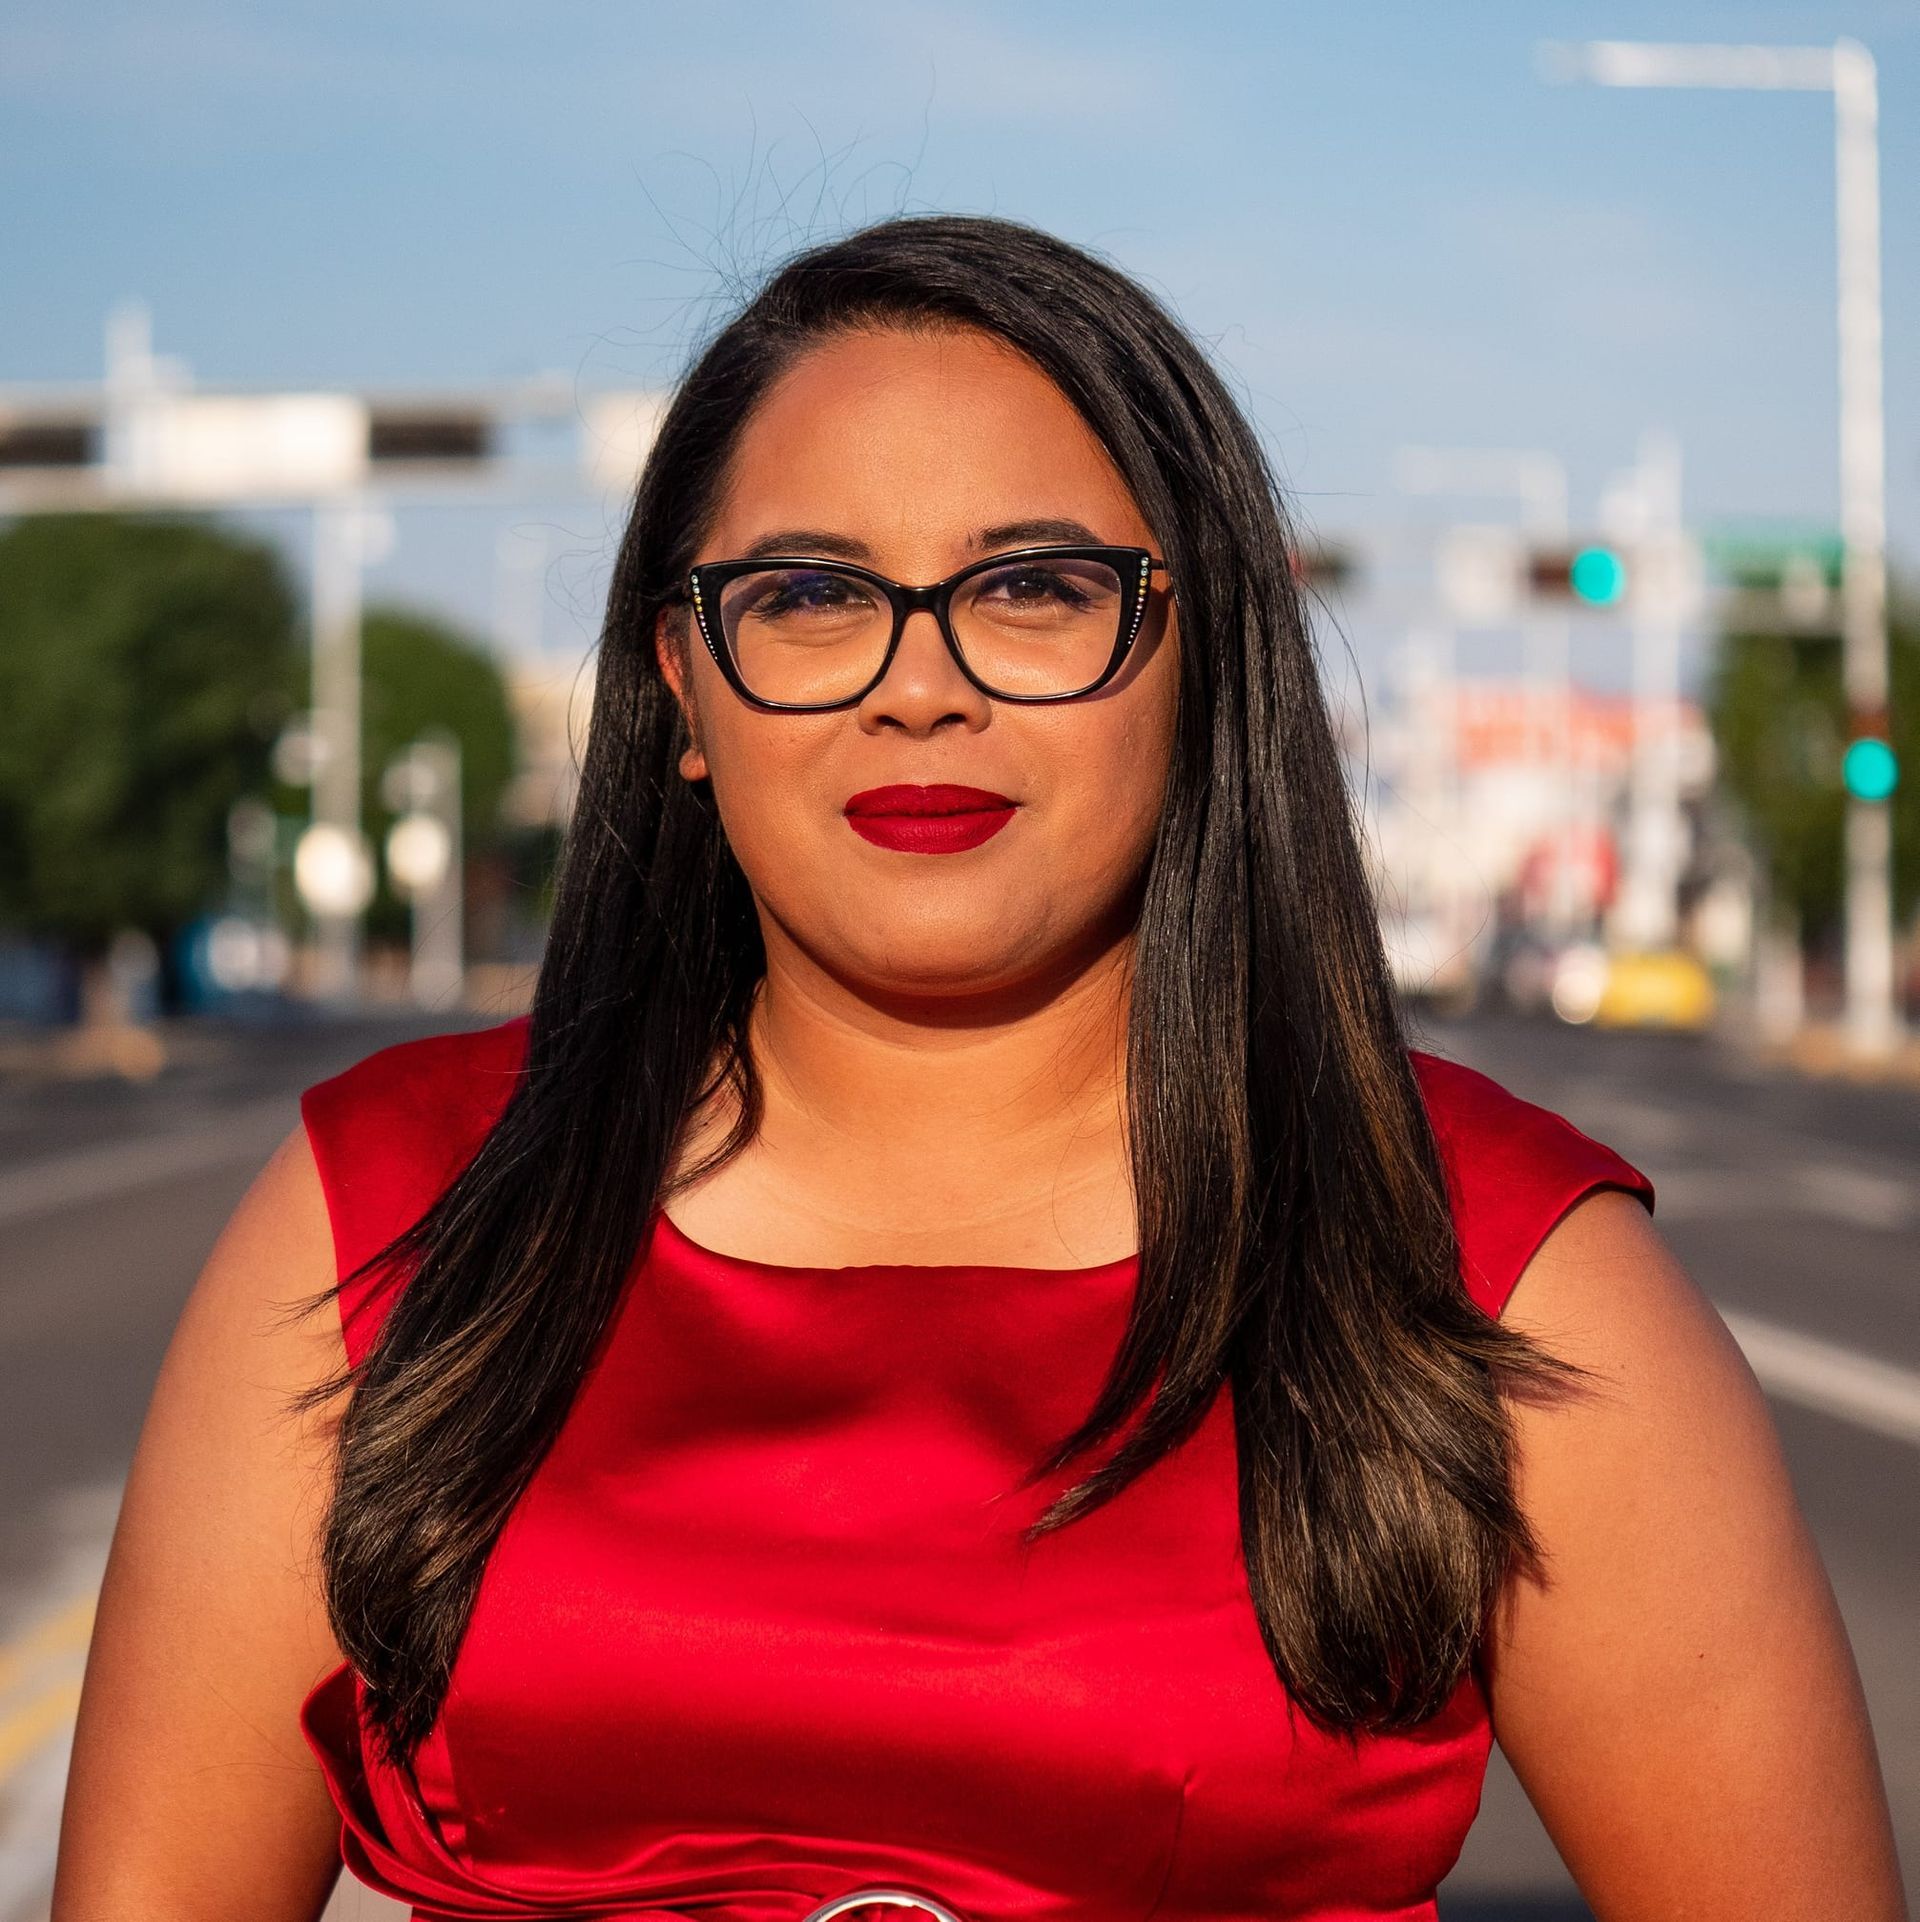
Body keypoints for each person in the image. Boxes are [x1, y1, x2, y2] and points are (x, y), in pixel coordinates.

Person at [54, 214, 1904, 1922]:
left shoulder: (1499, 1268)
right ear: (678, 690)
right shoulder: (380, 1218)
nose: (914, 685)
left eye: (1032, 587)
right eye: (806, 594)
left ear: (1204, 664)